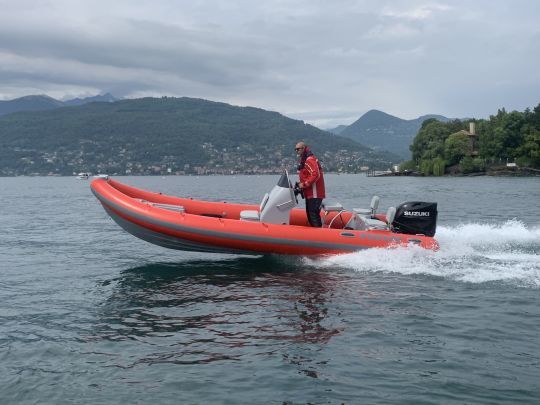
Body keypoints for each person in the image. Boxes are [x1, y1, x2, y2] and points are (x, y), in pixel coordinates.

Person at [295, 141, 326, 227]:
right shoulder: (305, 159)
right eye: (295, 149)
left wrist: (304, 184)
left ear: (304, 148)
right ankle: (317, 235)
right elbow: (307, 175)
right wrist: (301, 183)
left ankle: (319, 236)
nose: (296, 151)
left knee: (313, 215)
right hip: (310, 193)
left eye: (298, 149)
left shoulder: (309, 159)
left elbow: (316, 174)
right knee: (310, 215)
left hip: (315, 193)